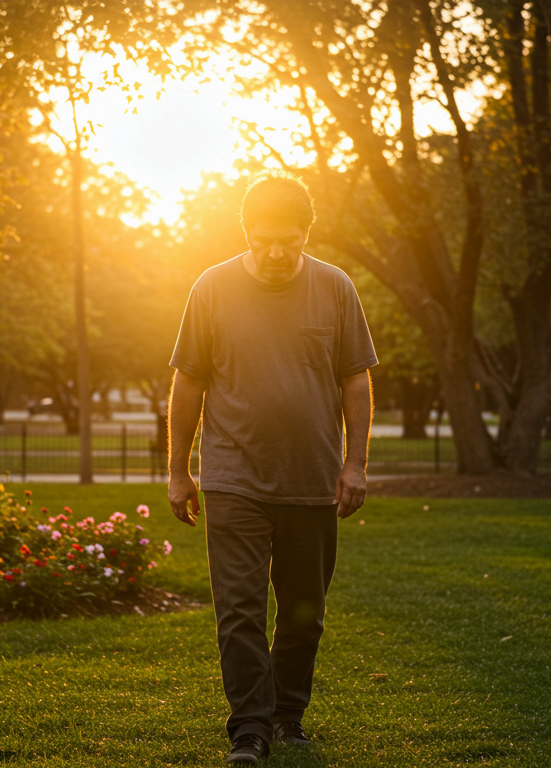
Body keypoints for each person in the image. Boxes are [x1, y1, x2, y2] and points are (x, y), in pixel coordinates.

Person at [167, 171, 378, 765]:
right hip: (233, 478)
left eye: (290, 239)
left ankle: (288, 716)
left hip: (312, 479)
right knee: (239, 609)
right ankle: (250, 730)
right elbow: (189, 382)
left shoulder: (335, 288)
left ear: (307, 233)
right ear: (247, 233)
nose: (278, 251)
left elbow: (354, 378)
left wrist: (355, 462)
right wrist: (179, 470)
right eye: (265, 239)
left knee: (304, 612)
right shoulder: (211, 288)